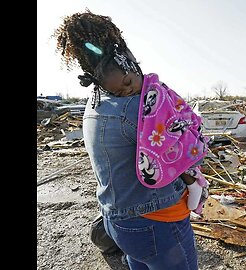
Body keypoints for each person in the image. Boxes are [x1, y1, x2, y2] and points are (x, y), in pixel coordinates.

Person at [54, 10, 205, 270]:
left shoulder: (95, 103)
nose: (128, 88)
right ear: (125, 57)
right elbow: (177, 152)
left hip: (119, 222)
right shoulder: (141, 108)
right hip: (158, 221)